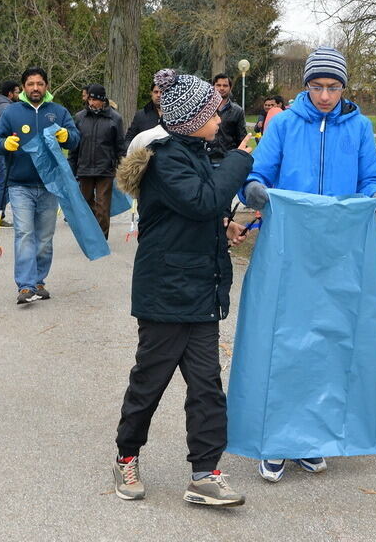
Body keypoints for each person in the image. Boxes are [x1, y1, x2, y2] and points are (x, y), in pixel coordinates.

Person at [240, 46, 376, 482]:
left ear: (344, 87)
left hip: (340, 252)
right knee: (284, 339)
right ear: (305, 86)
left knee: (329, 342)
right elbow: (258, 174)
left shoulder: (360, 128)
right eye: (316, 86)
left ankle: (312, 438)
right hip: (289, 249)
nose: (324, 95)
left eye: (332, 86)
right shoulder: (285, 124)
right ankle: (276, 440)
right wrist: (253, 192)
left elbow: (370, 179)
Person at [112, 68, 253, 507]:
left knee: (207, 386)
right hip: (165, 292)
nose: (219, 116)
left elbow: (201, 210)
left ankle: (205, 472)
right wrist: (239, 160)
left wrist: (224, 226)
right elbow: (201, 200)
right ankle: (126, 455)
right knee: (150, 382)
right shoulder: (166, 156)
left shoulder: (196, 152)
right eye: (212, 111)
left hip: (201, 291)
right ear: (191, 117)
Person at [0, 66, 80, 305]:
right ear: (23, 88)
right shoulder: (12, 113)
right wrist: (4, 144)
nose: (35, 88)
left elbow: (75, 138)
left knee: (44, 237)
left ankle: (39, 281)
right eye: (30, 84)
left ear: (46, 86)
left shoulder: (58, 112)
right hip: (19, 184)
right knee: (25, 233)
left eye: (40, 83)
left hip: (51, 185)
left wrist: (66, 136)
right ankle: (26, 286)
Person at [68, 83, 124, 239]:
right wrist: (71, 168)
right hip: (84, 167)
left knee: (103, 206)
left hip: (105, 169)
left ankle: (101, 238)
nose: (91, 103)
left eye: (95, 100)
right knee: (85, 204)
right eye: (90, 99)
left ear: (103, 100)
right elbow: (74, 146)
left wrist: (123, 168)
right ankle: (89, 234)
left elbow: (120, 145)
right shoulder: (79, 117)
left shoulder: (115, 118)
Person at [0, 80, 20, 226]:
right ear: (10, 93)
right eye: (17, 92)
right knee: (2, 183)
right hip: (2, 150)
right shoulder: (6, 107)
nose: (19, 94)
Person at [207, 73, 247, 162]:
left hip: (228, 159)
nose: (221, 88)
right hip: (206, 159)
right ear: (213, 86)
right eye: (218, 85)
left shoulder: (238, 111)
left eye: (225, 85)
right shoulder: (205, 109)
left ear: (230, 88)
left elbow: (241, 137)